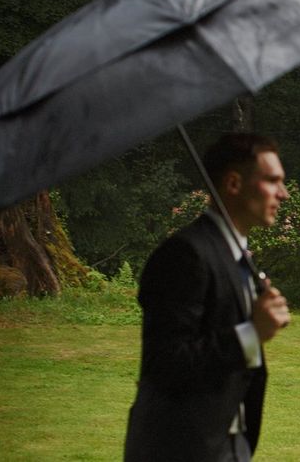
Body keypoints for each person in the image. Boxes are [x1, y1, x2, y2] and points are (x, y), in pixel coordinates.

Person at [124, 132, 291, 461]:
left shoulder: (234, 256)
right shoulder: (184, 256)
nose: (283, 194)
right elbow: (166, 364)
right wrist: (252, 333)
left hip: (228, 444)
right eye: (272, 181)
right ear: (233, 184)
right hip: (179, 448)